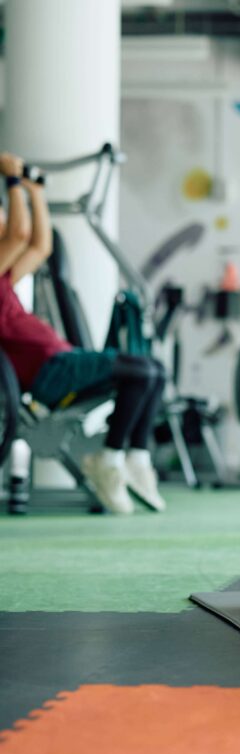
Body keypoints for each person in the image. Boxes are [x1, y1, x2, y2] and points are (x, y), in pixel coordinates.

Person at [0, 151, 166, 515]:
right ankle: (108, 458)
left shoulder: (5, 279)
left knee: (154, 370)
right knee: (141, 369)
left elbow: (39, 245)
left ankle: (133, 455)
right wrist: (12, 183)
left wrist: (35, 188)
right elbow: (19, 233)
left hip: (62, 361)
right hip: (49, 373)